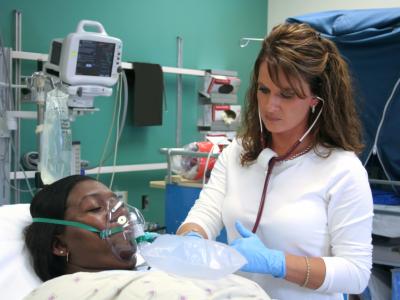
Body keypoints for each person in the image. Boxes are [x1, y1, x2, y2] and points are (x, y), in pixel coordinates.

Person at [177, 22, 373, 300]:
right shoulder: (237, 152)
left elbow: (356, 273)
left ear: (316, 100)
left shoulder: (343, 170)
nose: (270, 106)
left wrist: (277, 263)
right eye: (264, 90)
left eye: (287, 94)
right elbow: (204, 214)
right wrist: (192, 238)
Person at [23, 175, 270, 300]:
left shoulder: (161, 273)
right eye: (95, 208)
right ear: (59, 244)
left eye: (117, 203)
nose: (120, 214)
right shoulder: (60, 292)